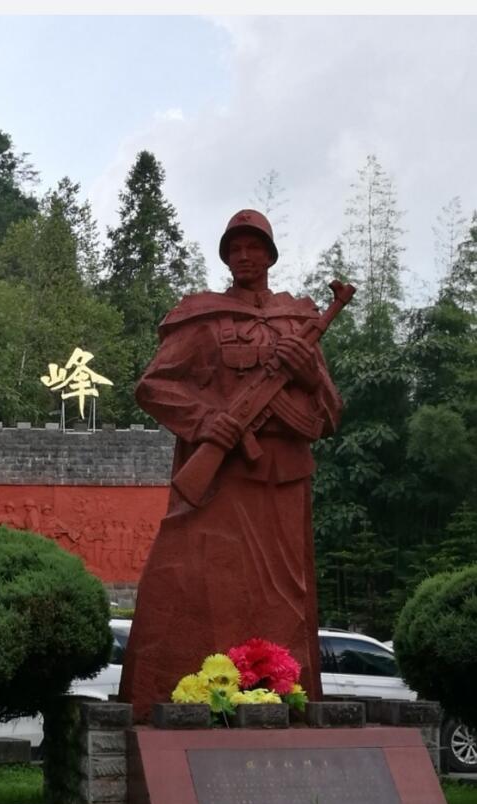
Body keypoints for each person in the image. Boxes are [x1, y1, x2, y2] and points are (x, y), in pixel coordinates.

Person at [118, 209, 343, 721]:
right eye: (235, 248)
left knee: (284, 599)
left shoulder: (298, 322)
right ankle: (190, 687)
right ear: (225, 257)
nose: (244, 256)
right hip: (222, 481)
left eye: (254, 247)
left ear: (270, 255)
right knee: (198, 580)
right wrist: (207, 421)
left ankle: (279, 689)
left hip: (283, 483)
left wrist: (309, 376)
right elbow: (152, 386)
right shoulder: (204, 318)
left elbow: (329, 413)